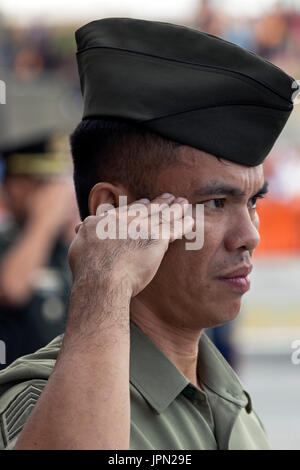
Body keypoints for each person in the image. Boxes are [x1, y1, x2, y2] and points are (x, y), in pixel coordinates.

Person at [0, 18, 298, 450]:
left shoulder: (223, 396)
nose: (249, 235)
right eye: (215, 203)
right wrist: (105, 283)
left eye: (252, 202)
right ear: (113, 209)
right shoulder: (46, 400)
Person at [0, 133, 80, 368]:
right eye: (42, 182)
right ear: (14, 184)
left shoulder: (57, 244)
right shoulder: (14, 240)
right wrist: (43, 220)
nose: (54, 193)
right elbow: (12, 289)